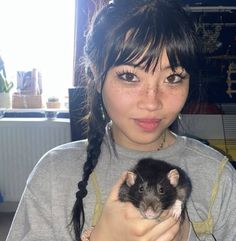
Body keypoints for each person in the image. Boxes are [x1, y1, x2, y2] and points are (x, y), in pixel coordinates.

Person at [6, 0, 236, 240]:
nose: (151, 102)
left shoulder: (217, 174)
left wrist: (187, 234)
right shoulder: (53, 174)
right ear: (95, 74)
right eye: (129, 76)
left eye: (173, 78)